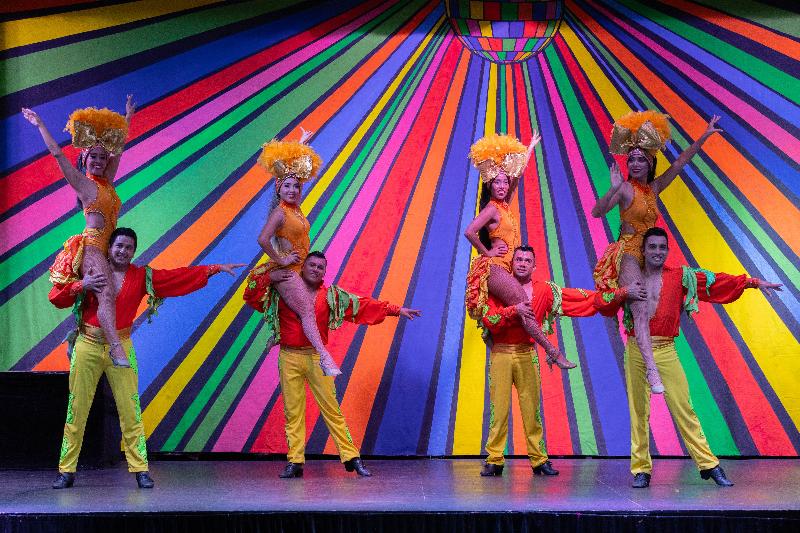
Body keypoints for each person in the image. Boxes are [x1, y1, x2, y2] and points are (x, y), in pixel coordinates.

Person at [48, 227, 243, 489]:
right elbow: (56, 297)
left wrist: (213, 269)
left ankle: (140, 469)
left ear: (134, 252)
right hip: (87, 345)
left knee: (130, 410)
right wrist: (82, 284)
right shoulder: (91, 270)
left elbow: (176, 278)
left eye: (128, 247)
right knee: (77, 408)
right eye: (118, 246)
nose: (123, 251)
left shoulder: (141, 277)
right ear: (109, 248)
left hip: (121, 347)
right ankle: (66, 470)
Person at [603, 227, 781, 488]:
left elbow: (715, 281)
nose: (657, 252)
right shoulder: (630, 277)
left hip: (665, 349)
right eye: (652, 247)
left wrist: (752, 282)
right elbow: (605, 300)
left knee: (684, 409)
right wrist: (622, 293)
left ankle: (709, 465)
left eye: (662, 247)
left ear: (667, 250)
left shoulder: (680, 276)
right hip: (636, 350)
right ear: (643, 250)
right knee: (638, 412)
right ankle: (641, 469)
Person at [244, 251, 420, 478]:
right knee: (293, 411)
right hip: (289, 357)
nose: (316, 270)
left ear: (324, 272)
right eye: (312, 265)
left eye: (320, 267)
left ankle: (352, 458)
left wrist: (395, 310)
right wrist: (272, 276)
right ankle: (295, 461)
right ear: (303, 267)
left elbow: (361, 305)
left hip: (316, 359)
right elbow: (252, 292)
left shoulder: (331, 296)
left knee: (331, 410)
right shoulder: (282, 290)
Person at [478, 246, 642, 477]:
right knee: (499, 410)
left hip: (527, 353)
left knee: (532, 410)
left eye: (527, 260)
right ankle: (494, 460)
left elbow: (584, 299)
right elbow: (490, 320)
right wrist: (514, 310)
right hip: (501, 354)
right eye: (518, 260)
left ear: (534, 266)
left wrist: (622, 293)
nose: (522, 263)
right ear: (511, 263)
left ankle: (539, 460)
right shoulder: (497, 287)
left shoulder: (544, 290)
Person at [591, 111, 722, 394]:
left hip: (650, 255)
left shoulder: (654, 188)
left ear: (650, 163)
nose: (636, 163)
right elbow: (597, 212)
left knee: (654, 307)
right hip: (628, 252)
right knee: (640, 306)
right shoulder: (625, 189)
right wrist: (613, 190)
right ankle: (652, 371)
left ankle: (642, 356)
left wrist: (704, 135)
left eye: (641, 159)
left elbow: (680, 163)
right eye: (632, 159)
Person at [23, 97, 136, 368]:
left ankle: (76, 338)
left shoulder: (107, 183)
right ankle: (117, 350)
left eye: (102, 157)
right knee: (106, 293)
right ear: (84, 159)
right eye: (93, 156)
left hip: (107, 249)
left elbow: (118, 151)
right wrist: (40, 124)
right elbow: (58, 154)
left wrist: (127, 117)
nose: (98, 161)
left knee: (108, 297)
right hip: (93, 247)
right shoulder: (83, 185)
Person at [464, 132, 574, 370]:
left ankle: (499, 342)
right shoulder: (492, 208)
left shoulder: (504, 205)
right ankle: (553, 352)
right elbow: (470, 231)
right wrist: (486, 252)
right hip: (494, 268)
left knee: (517, 309)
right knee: (523, 303)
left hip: (505, 269)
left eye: (505, 182)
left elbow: (517, 175)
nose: (503, 186)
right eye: (497, 182)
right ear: (489, 185)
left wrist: (529, 148)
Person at [249, 130, 342, 377]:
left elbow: (293, 172)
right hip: (287, 271)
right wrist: (281, 259)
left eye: (296, 187)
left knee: (308, 308)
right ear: (278, 190)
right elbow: (262, 239)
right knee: (308, 311)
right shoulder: (280, 212)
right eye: (287, 186)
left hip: (299, 268)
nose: (292, 190)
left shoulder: (295, 209)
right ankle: (325, 358)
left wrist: (301, 145)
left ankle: (278, 336)